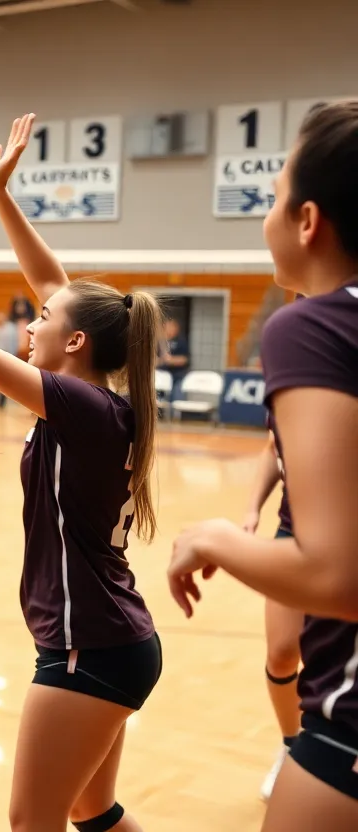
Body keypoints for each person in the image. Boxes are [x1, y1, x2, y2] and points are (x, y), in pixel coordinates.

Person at [169, 100, 358, 832]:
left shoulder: (313, 327)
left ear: (308, 220)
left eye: (275, 196)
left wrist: (212, 537)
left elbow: (338, 578)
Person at [0, 114, 163, 832]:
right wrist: (0, 194)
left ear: (75, 341)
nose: (30, 320)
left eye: (42, 317)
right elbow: (54, 282)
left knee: (33, 822)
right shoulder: (95, 400)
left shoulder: (81, 405)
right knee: (94, 813)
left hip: (92, 647)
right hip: (108, 638)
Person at [240, 433, 302, 800]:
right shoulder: (292, 382)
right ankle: (293, 746)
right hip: (294, 532)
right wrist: (253, 507)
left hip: (344, 537)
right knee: (281, 653)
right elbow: (273, 444)